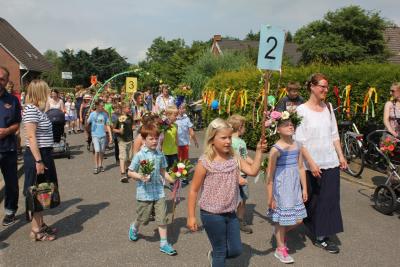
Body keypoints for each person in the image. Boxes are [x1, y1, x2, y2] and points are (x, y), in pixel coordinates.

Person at [187, 118, 266, 266]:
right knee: (220, 252)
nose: (228, 141)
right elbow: (193, 190)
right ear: (212, 139)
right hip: (211, 214)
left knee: (236, 250)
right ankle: (216, 257)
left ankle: (214, 255)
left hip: (231, 213)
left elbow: (253, 171)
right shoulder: (205, 162)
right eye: (223, 138)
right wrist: (191, 216)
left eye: (229, 137)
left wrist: (259, 152)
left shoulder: (234, 157)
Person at [295, 73, 347, 254]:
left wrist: (340, 156)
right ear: (312, 87)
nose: (325, 90)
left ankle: (322, 236)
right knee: (314, 199)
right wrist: (311, 162)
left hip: (330, 160)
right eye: (322, 86)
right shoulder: (301, 110)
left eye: (326, 87)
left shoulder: (329, 108)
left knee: (330, 199)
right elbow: (299, 140)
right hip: (312, 163)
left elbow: (334, 134)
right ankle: (312, 225)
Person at [127, 123, 177, 256]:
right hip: (144, 193)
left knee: (162, 218)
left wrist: (172, 179)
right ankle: (135, 226)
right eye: (151, 138)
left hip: (159, 192)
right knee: (144, 218)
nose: (155, 141)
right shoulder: (139, 155)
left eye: (156, 138)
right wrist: (140, 176)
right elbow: (130, 172)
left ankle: (164, 243)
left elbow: (162, 171)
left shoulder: (160, 154)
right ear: (143, 140)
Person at [266, 116, 308, 264]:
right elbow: (269, 176)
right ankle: (280, 249)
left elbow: (301, 167)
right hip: (281, 187)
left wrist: (304, 189)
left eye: (292, 125)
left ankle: (279, 233)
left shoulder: (298, 145)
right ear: (278, 129)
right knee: (282, 220)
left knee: (298, 219)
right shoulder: (276, 150)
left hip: (295, 186)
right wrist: (271, 197)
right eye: (286, 125)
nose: (291, 127)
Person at [23, 79, 58, 241]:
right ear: (40, 92)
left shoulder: (37, 109)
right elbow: (31, 137)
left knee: (43, 191)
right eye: (46, 91)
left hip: (44, 154)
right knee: (37, 192)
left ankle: (41, 224)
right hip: (37, 155)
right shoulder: (31, 109)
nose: (49, 93)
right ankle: (36, 230)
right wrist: (38, 161)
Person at [0, 66, 22, 226]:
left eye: (2, 78)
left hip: (8, 149)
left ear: (7, 81)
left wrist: (7, 130)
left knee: (12, 183)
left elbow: (17, 123)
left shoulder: (13, 100)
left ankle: (10, 211)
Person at [227, 114, 254, 234]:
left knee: (241, 199)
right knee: (238, 200)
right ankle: (236, 221)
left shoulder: (239, 142)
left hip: (240, 174)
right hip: (235, 175)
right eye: (244, 126)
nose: (245, 129)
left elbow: (244, 157)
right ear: (240, 127)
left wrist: (255, 163)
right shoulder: (233, 142)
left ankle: (238, 221)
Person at [87, 100, 112, 174]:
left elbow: (108, 125)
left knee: (102, 151)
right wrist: (88, 117)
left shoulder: (104, 114)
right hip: (95, 135)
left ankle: (100, 165)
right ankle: (96, 166)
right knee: (97, 150)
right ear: (97, 106)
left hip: (103, 135)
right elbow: (87, 123)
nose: (102, 107)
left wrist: (110, 136)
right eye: (101, 105)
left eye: (103, 105)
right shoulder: (92, 114)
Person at [113, 102, 134, 183]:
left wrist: (133, 128)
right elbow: (113, 128)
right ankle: (123, 173)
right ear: (124, 108)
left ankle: (128, 170)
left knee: (129, 158)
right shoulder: (119, 118)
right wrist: (119, 130)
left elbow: (132, 125)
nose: (130, 109)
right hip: (121, 140)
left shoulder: (130, 117)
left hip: (129, 139)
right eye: (128, 108)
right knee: (123, 157)